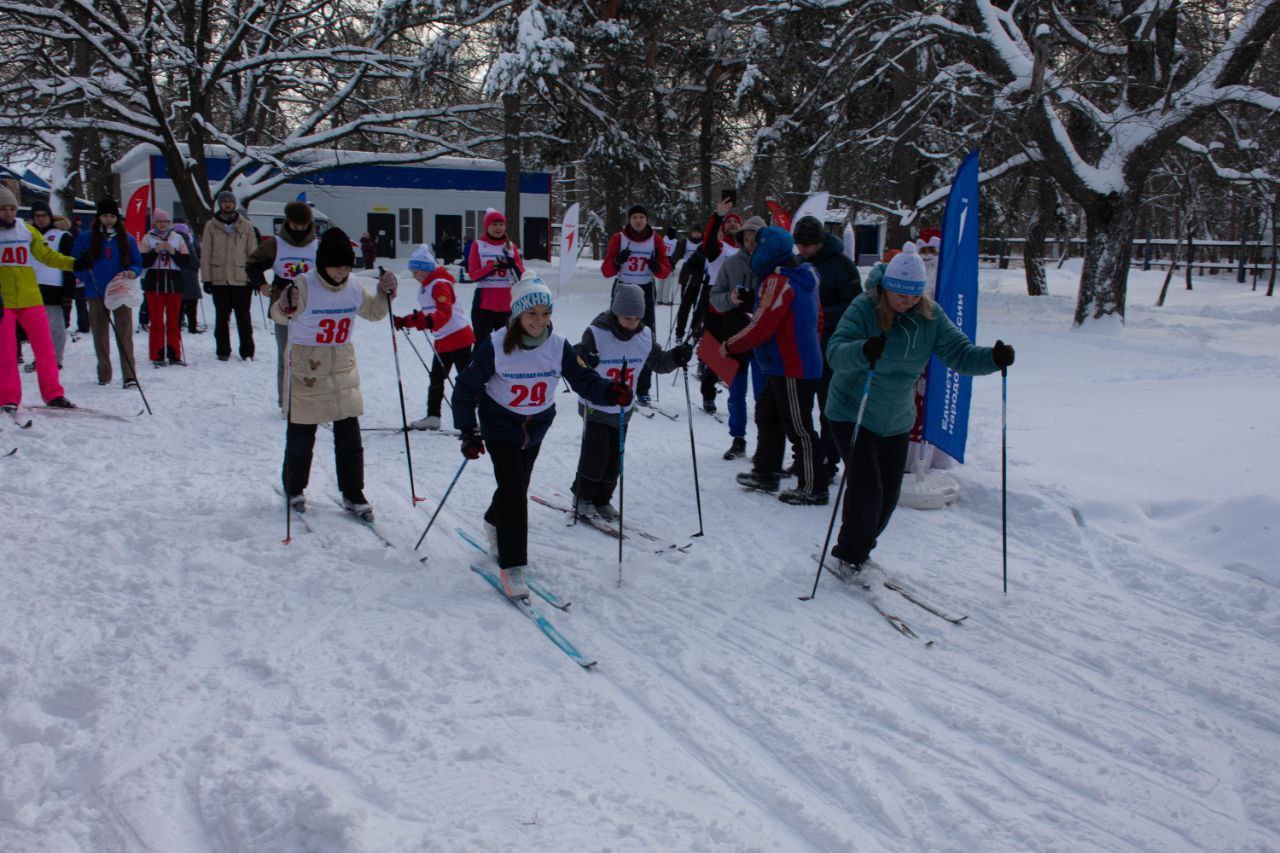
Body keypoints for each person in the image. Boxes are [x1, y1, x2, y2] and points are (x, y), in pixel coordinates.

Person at [824, 242, 1014, 573]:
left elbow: (960, 353)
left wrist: (993, 359)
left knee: (888, 496)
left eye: (914, 295)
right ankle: (850, 555)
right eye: (900, 295)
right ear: (886, 288)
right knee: (867, 489)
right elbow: (835, 352)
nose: (907, 301)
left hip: (896, 416)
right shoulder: (864, 308)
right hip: (853, 411)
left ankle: (861, 548)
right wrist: (863, 350)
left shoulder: (930, 316)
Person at [451, 271, 631, 599]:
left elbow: (585, 380)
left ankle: (494, 521)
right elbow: (465, 387)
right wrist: (468, 431)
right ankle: (513, 565)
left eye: (546, 313)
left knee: (515, 486)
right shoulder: (496, 345)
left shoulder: (558, 346)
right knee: (514, 491)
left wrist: (610, 391)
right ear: (518, 314)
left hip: (535, 428)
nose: (539, 321)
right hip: (501, 426)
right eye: (532, 313)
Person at [272, 228, 398, 520]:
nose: (342, 272)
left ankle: (353, 492)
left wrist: (384, 292)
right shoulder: (303, 285)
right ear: (322, 264)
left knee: (350, 438)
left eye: (346, 267)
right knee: (302, 436)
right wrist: (285, 304)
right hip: (308, 368)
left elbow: (374, 312)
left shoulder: (353, 286)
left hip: (342, 366)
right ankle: (294, 487)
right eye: (336, 267)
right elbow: (279, 315)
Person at [570, 282, 694, 519]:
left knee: (614, 460)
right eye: (627, 318)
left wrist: (676, 357)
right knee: (596, 457)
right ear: (616, 311)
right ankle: (583, 497)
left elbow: (658, 362)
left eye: (637, 319)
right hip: (595, 406)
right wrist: (585, 357)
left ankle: (603, 500)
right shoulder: (597, 332)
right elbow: (577, 359)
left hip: (623, 409)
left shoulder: (644, 335)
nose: (632, 323)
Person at [724, 226, 827, 506]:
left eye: (758, 247)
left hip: (792, 364)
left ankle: (814, 487)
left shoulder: (780, 281)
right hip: (783, 362)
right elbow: (816, 320)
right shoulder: (802, 274)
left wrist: (729, 345)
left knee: (799, 427)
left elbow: (761, 326)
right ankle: (766, 471)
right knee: (767, 414)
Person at [794, 215, 862, 483]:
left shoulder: (842, 266)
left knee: (828, 408)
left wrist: (818, 313)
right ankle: (804, 458)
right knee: (800, 407)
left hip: (830, 346)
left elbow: (854, 305)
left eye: (807, 245)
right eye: (799, 245)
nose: (802, 250)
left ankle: (829, 461)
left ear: (819, 242)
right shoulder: (797, 262)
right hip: (801, 346)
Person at [0, 188, 77, 410]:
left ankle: (53, 394)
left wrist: (75, 263)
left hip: (30, 298)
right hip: (4, 301)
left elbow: (47, 256)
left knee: (45, 348)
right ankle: (8, 397)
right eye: (3, 209)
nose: (8, 213)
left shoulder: (27, 230)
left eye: (12, 209)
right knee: (6, 352)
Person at [393, 244, 476, 430]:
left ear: (426, 269)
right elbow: (427, 314)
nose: (414, 276)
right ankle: (433, 417)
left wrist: (428, 322)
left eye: (416, 272)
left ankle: (480, 416)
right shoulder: (427, 286)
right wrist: (406, 321)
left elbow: (444, 312)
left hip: (459, 338)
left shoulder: (439, 284)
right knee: (436, 378)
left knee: (466, 381)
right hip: (443, 340)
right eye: (413, 272)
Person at [246, 201, 319, 408]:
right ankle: (285, 399)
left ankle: (308, 397)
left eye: (303, 226)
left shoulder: (317, 245)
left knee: (311, 355)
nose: (299, 230)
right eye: (295, 226)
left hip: (311, 304)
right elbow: (252, 264)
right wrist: (261, 284)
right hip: (282, 303)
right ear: (288, 222)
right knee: (286, 354)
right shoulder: (276, 244)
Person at [600, 204, 672, 404]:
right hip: (623, 289)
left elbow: (666, 271)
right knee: (616, 333)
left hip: (645, 291)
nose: (638, 221)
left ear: (646, 220)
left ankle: (643, 388)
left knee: (645, 338)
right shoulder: (619, 238)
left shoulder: (656, 240)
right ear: (629, 220)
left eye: (641, 217)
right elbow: (606, 270)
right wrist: (617, 262)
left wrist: (657, 267)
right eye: (634, 218)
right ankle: (614, 380)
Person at [707, 215, 766, 460]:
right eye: (747, 239)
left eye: (755, 239)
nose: (751, 244)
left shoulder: (772, 265)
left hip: (763, 338)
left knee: (764, 394)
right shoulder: (730, 264)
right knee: (736, 392)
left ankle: (765, 441)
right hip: (734, 335)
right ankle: (738, 438)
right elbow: (714, 297)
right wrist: (730, 299)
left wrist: (759, 302)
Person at [71, 198, 142, 388]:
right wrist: (86, 275)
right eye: (105, 216)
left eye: (112, 216)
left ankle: (129, 376)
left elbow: (137, 262)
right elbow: (75, 263)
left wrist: (132, 271)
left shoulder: (127, 238)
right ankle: (104, 373)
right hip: (96, 291)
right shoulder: (86, 238)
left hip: (120, 291)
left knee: (124, 333)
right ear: (99, 217)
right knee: (100, 334)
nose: (109, 219)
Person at [201, 190, 257, 361]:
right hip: (219, 279)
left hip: (241, 279)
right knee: (221, 318)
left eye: (230, 202)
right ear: (220, 204)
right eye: (224, 202)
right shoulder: (211, 225)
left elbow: (253, 252)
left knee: (244, 318)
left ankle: (247, 351)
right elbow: (206, 254)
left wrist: (254, 277)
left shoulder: (246, 225)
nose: (227, 204)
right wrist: (206, 279)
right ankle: (223, 350)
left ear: (234, 204)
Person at [25, 200, 76, 374]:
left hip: (55, 288)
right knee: (37, 329)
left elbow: (69, 266)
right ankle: (40, 358)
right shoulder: (27, 235)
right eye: (37, 216)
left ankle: (56, 359)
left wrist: (68, 294)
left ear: (50, 216)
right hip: (32, 286)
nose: (40, 219)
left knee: (56, 327)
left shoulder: (62, 236)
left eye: (44, 215)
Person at [139, 209, 191, 366]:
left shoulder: (177, 238)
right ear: (154, 223)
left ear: (169, 223)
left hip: (174, 282)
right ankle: (157, 354)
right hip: (155, 282)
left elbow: (186, 262)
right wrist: (155, 251)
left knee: (174, 321)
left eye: (165, 221)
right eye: (159, 221)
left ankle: (175, 354)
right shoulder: (148, 238)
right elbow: (143, 262)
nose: (163, 224)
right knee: (156, 321)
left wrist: (173, 252)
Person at [467, 210, 525, 336]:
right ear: (486, 226)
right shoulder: (478, 245)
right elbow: (473, 275)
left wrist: (512, 265)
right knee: (482, 343)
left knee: (507, 343)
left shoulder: (511, 246)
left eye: (501, 224)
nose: (498, 228)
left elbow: (522, 275)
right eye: (494, 224)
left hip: (507, 304)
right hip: (484, 304)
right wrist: (492, 266)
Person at [173, 218, 203, 335]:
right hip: (189, 276)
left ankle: (177, 325)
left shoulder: (172, 241)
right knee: (191, 303)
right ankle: (192, 326)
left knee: (178, 303)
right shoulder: (188, 242)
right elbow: (194, 259)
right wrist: (198, 265)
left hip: (177, 276)